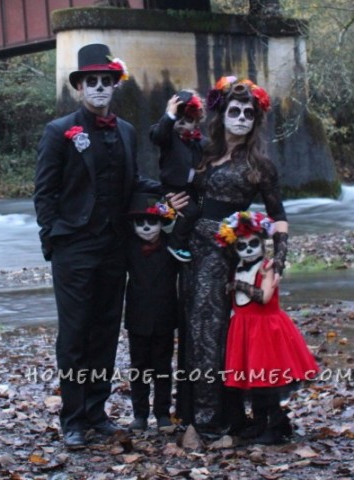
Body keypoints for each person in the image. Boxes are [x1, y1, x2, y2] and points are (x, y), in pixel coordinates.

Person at [33, 43, 161, 450]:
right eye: (93, 82)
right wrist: (51, 241)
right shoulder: (59, 132)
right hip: (73, 247)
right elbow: (45, 192)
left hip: (114, 248)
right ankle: (71, 418)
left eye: (107, 81)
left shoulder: (125, 131)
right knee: (74, 334)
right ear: (80, 87)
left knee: (105, 331)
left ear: (115, 86)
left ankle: (95, 411)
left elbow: (135, 181)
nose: (101, 88)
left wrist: (173, 193)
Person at [176, 75, 289, 439]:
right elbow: (180, 183)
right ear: (221, 113)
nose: (241, 118)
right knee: (195, 330)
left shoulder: (260, 165)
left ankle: (213, 422)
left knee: (216, 332)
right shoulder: (205, 153)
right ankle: (199, 413)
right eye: (234, 110)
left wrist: (278, 260)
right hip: (192, 252)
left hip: (232, 255)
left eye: (249, 113)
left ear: (256, 121)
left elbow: (278, 216)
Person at [216, 211, 319, 444]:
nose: (249, 249)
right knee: (251, 378)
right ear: (235, 249)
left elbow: (264, 296)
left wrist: (237, 285)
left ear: (262, 244)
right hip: (243, 328)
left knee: (266, 378)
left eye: (254, 244)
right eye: (243, 246)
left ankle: (277, 424)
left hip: (265, 329)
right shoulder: (237, 266)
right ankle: (260, 422)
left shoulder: (267, 266)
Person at [124, 193, 179, 433]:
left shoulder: (172, 244)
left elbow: (188, 222)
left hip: (165, 315)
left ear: (162, 223)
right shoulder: (127, 247)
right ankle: (140, 414)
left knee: (163, 366)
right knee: (139, 367)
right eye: (140, 223)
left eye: (152, 222)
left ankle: (163, 413)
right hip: (137, 316)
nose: (146, 227)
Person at [149, 89, 205, 262]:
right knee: (191, 212)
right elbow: (158, 135)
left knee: (196, 212)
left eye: (188, 120)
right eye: (178, 118)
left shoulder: (199, 143)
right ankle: (176, 244)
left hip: (190, 188)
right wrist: (169, 115)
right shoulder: (168, 137)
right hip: (172, 188)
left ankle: (183, 241)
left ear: (196, 124)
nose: (182, 123)